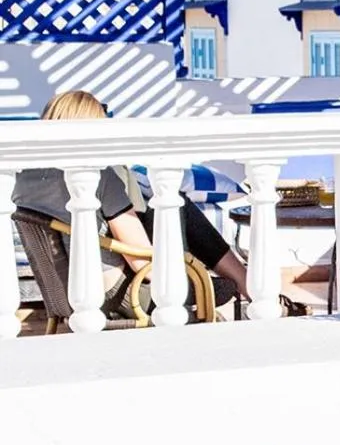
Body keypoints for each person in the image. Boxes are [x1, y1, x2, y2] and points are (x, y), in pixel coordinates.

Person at [12, 90, 308, 318]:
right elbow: (147, 266)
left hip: (62, 293)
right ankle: (247, 283)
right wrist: (189, 265)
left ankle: (242, 280)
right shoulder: (99, 176)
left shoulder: (21, 179)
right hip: (121, 296)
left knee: (165, 209)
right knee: (178, 211)